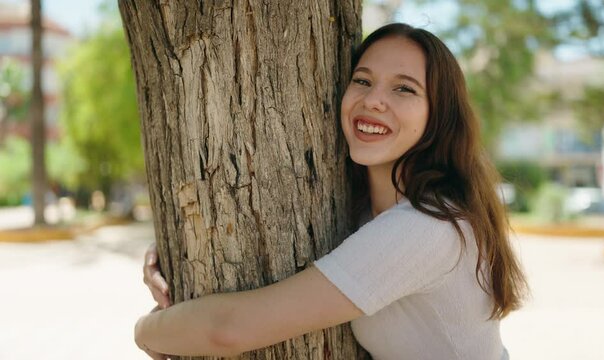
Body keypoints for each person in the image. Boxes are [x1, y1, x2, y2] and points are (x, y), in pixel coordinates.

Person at [136, 23, 527, 360]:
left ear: (438, 117)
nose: (373, 100)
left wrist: (145, 330)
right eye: (362, 80)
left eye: (404, 89)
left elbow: (230, 329)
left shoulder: (427, 228)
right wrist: (174, 250)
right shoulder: (365, 211)